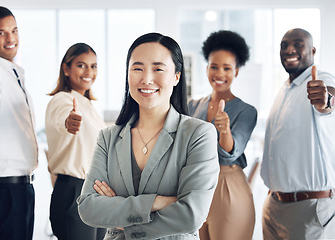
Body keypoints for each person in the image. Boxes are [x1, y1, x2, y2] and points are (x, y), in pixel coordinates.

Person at [77, 32, 219, 239]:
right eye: (137, 68)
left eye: (158, 69)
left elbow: (191, 215)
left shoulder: (198, 135)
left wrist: (122, 217)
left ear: (176, 76)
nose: (147, 79)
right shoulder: (108, 138)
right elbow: (88, 208)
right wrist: (157, 202)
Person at [261, 28, 335, 239]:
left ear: (312, 50)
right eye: (284, 45)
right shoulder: (285, 89)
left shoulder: (320, 78)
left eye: (298, 44)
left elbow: (328, 101)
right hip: (274, 206)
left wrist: (325, 100)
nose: (289, 49)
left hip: (307, 209)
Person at [0, 6, 38, 240]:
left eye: (14, 30)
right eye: (1, 33)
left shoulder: (12, 71)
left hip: (18, 185)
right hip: (2, 188)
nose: (11, 38)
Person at [188, 30, 257, 240]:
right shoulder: (193, 106)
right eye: (214, 66)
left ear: (236, 71)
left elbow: (230, 152)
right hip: (197, 187)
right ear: (207, 67)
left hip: (228, 186)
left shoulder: (246, 111)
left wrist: (225, 130)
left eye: (227, 68)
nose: (219, 73)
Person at [45, 43, 107, 240]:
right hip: (74, 190)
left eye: (94, 66)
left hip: (94, 191)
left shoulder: (88, 104)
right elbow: (63, 120)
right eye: (81, 65)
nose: (89, 71)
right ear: (66, 68)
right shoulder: (62, 100)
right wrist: (69, 122)